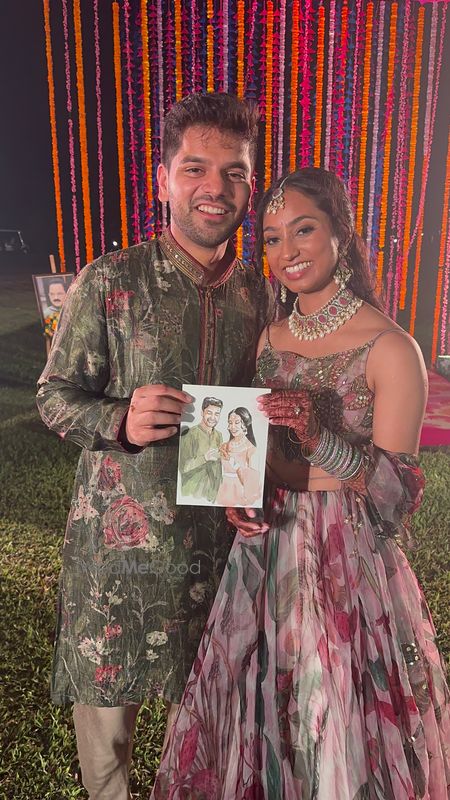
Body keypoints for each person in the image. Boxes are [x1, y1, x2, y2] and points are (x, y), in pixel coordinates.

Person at [152, 168, 450, 799]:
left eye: (304, 230)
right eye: (271, 238)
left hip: (347, 560)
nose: (287, 251)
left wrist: (321, 438)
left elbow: (397, 497)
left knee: (332, 712)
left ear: (341, 232)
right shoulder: (269, 339)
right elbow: (251, 447)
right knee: (264, 708)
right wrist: (238, 491)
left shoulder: (390, 348)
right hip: (266, 549)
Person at [36, 92, 274, 800]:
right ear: (163, 179)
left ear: (251, 188)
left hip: (218, 559)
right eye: (195, 168)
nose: (214, 188)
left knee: (203, 736)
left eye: (234, 173)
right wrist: (120, 421)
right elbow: (54, 395)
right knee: (108, 750)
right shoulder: (112, 281)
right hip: (118, 564)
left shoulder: (260, 298)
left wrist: (257, 481)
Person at [178, 397, 223, 503]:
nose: (213, 417)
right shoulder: (190, 434)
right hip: (192, 493)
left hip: (213, 495)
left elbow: (218, 466)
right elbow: (183, 467)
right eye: (209, 413)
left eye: (217, 414)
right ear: (202, 413)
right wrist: (204, 458)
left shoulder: (218, 435)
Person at [215, 406, 261, 506]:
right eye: (230, 423)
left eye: (236, 422)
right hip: (223, 490)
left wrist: (232, 462)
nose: (232, 427)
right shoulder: (224, 446)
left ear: (245, 424)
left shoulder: (251, 449)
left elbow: (252, 482)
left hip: (240, 493)